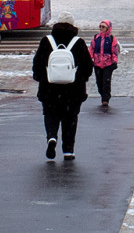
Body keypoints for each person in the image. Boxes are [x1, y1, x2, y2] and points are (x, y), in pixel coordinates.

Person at [32, 10, 93, 160]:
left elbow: (37, 64)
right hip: (73, 91)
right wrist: (81, 79)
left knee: (51, 115)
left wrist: (41, 78)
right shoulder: (78, 43)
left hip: (50, 89)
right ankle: (68, 150)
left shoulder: (46, 41)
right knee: (70, 119)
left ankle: (52, 137)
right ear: (72, 25)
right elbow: (87, 67)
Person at [88, 19, 120, 107]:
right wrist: (89, 59)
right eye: (100, 26)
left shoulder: (112, 39)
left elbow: (114, 51)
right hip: (97, 64)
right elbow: (91, 49)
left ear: (108, 28)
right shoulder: (96, 38)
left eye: (103, 27)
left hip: (108, 64)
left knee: (106, 81)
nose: (101, 28)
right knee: (99, 82)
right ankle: (103, 94)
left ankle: (105, 98)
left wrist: (114, 61)